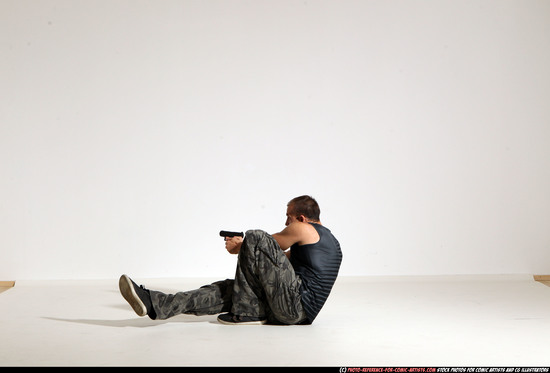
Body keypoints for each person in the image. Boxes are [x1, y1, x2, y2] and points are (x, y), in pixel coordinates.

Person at [119, 195, 342, 325]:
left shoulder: (302, 228)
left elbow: (269, 244)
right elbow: (275, 261)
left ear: (301, 218)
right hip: (288, 308)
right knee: (224, 289)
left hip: (294, 307)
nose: (286, 222)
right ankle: (154, 303)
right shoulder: (328, 242)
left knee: (256, 235)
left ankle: (246, 311)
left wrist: (243, 244)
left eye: (289, 216)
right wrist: (245, 250)